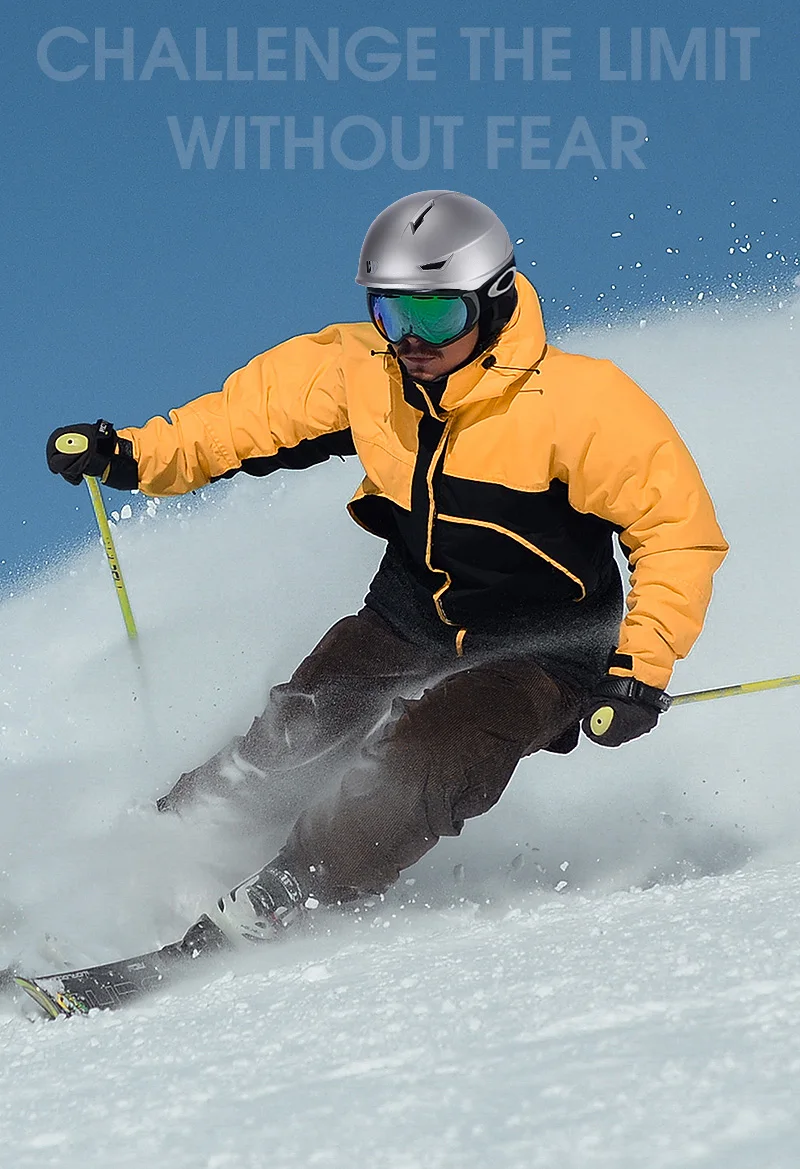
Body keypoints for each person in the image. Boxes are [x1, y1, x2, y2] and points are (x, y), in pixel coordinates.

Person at [46, 190, 728, 956]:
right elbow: (243, 419)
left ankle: (290, 889)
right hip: (409, 617)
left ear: (493, 300)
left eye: (435, 316)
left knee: (421, 757)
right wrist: (135, 454)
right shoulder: (368, 372)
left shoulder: (581, 404)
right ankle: (147, 860)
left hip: (544, 651)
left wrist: (638, 671)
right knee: (296, 732)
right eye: (391, 312)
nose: (410, 339)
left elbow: (678, 533)